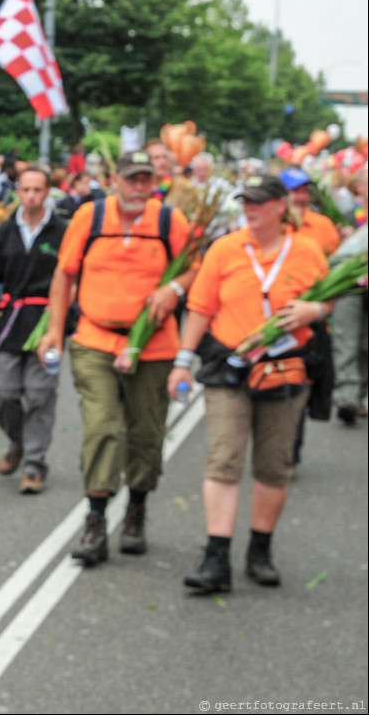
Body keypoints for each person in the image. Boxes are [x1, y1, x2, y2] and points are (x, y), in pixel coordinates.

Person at [167, 174, 330, 592]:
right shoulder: (225, 249)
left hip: (285, 369)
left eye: (259, 202)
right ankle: (215, 558)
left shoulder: (308, 250)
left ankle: (260, 550)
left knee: (274, 466)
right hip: (230, 367)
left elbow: (327, 297)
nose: (250, 208)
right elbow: (200, 308)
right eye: (246, 202)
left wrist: (314, 309)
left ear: (281, 206)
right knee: (223, 458)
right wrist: (183, 362)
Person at [39, 150, 196, 567]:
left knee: (146, 434)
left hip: (155, 345)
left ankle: (137, 508)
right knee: (102, 427)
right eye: (132, 179)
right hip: (95, 340)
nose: (139, 188)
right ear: (115, 180)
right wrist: (55, 329)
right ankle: (94, 518)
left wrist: (173, 290)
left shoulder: (169, 221)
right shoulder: (89, 218)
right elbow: (64, 274)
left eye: (146, 179)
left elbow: (195, 269)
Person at [0, 168, 66, 494]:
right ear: (17, 192)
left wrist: (63, 320)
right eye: (25, 190)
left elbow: (73, 278)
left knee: (40, 394)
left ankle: (34, 465)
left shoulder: (62, 232)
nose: (31, 196)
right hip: (10, 321)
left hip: (47, 323)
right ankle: (18, 441)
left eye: (38, 190)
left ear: (47, 192)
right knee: (3, 392)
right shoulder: (5, 231)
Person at [330, 168, 367, 425]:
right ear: (359, 187)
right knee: (346, 342)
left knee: (365, 345)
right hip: (347, 286)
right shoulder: (347, 214)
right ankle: (347, 398)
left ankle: (360, 393)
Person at [281, 167, 341, 256]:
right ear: (281, 195)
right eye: (295, 191)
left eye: (305, 191)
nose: (302, 198)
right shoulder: (274, 228)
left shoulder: (324, 224)